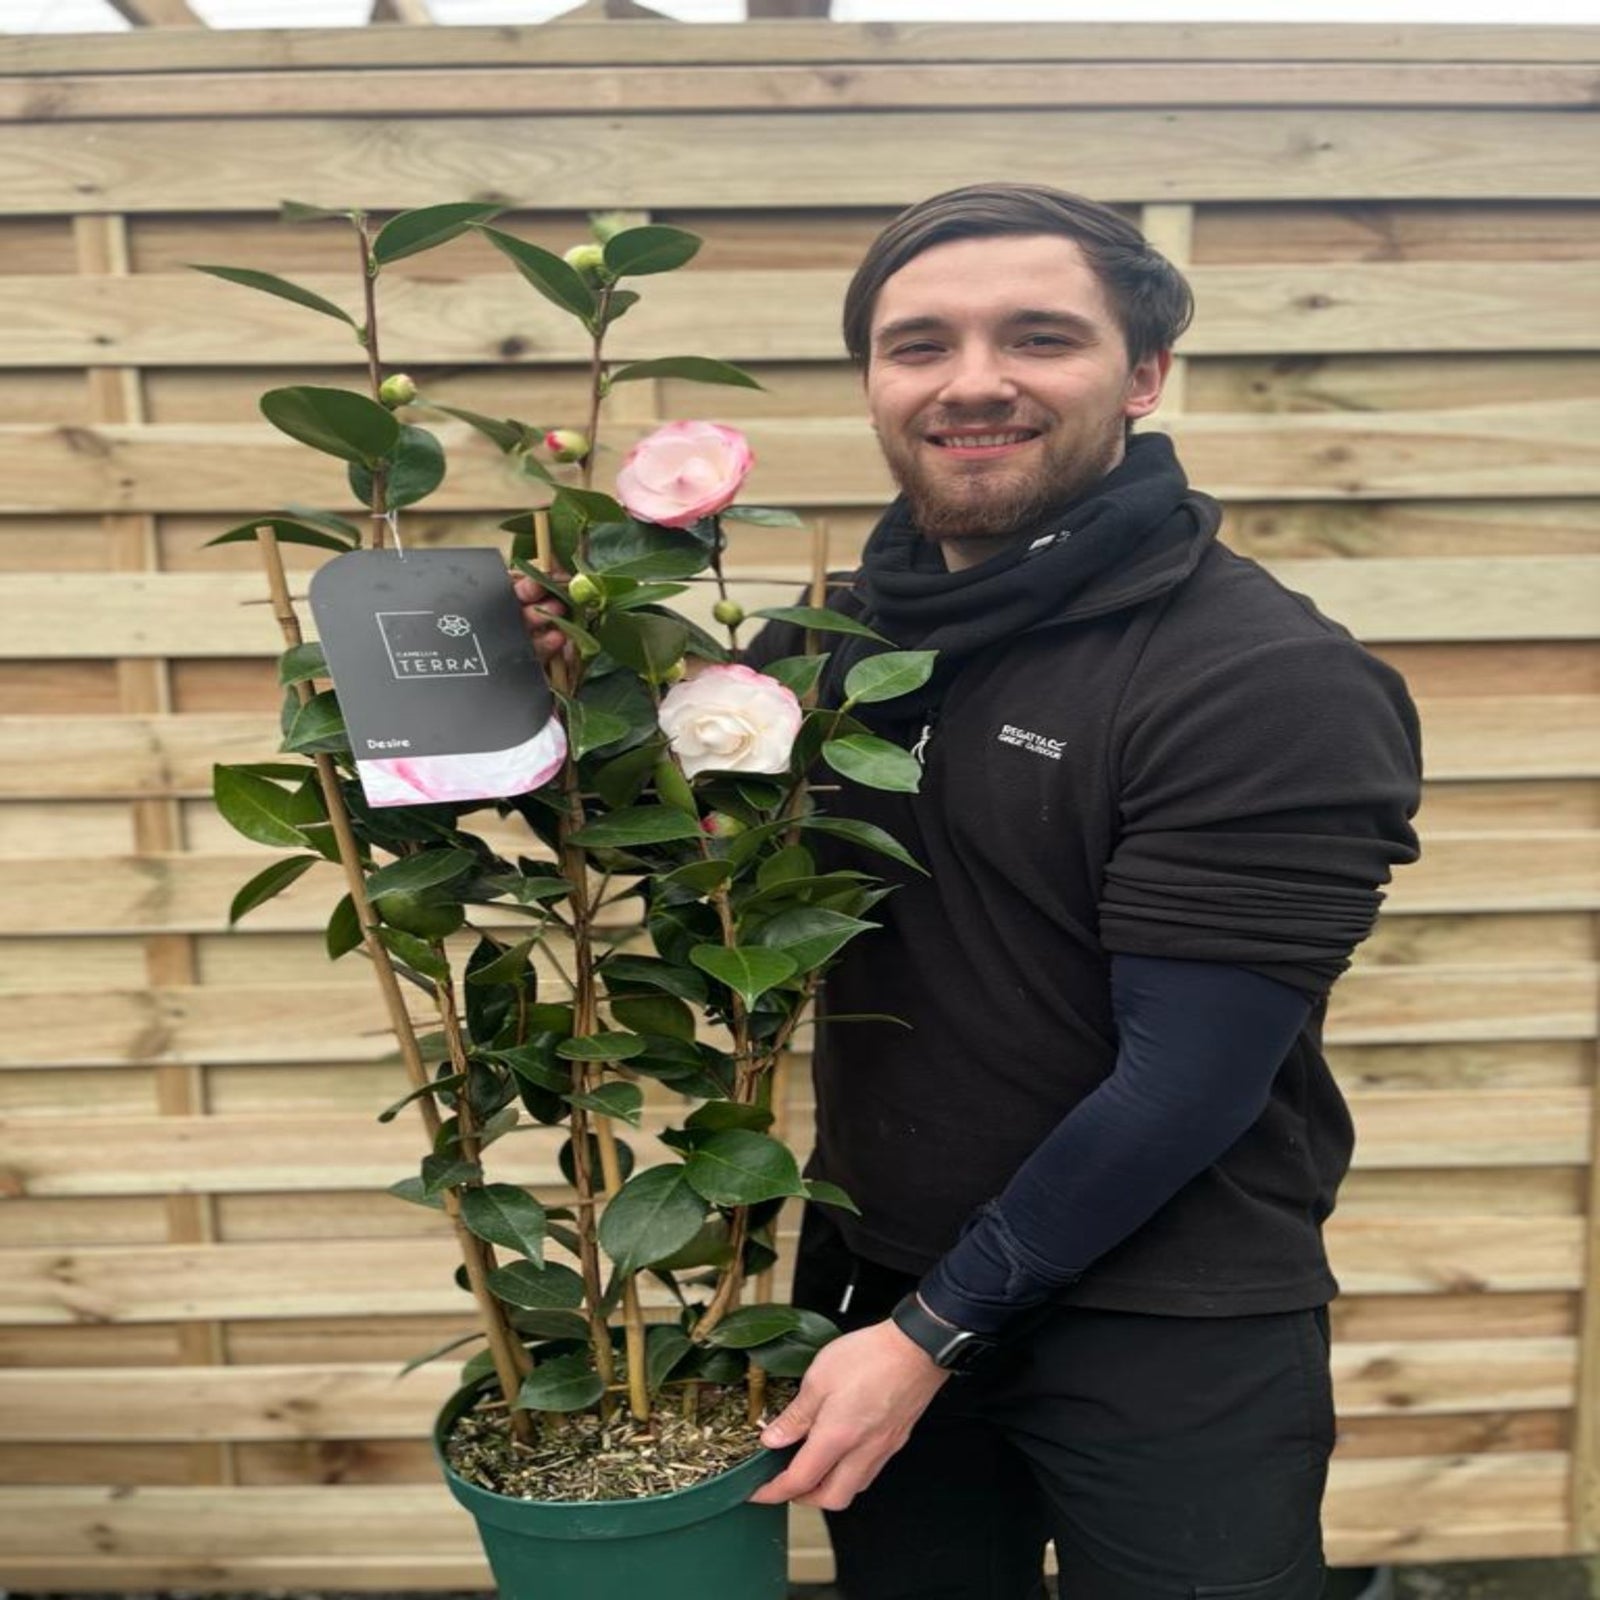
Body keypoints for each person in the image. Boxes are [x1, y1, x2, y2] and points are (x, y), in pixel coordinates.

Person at [520, 183, 1422, 1600]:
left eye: (1039, 338)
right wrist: (517, 720)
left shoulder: (1264, 680)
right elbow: (684, 865)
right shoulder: (837, 638)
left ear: (1143, 374)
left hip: (1169, 1309)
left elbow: (1188, 1081)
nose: (974, 382)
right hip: (878, 1272)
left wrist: (930, 1333)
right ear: (876, 383)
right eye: (920, 343)